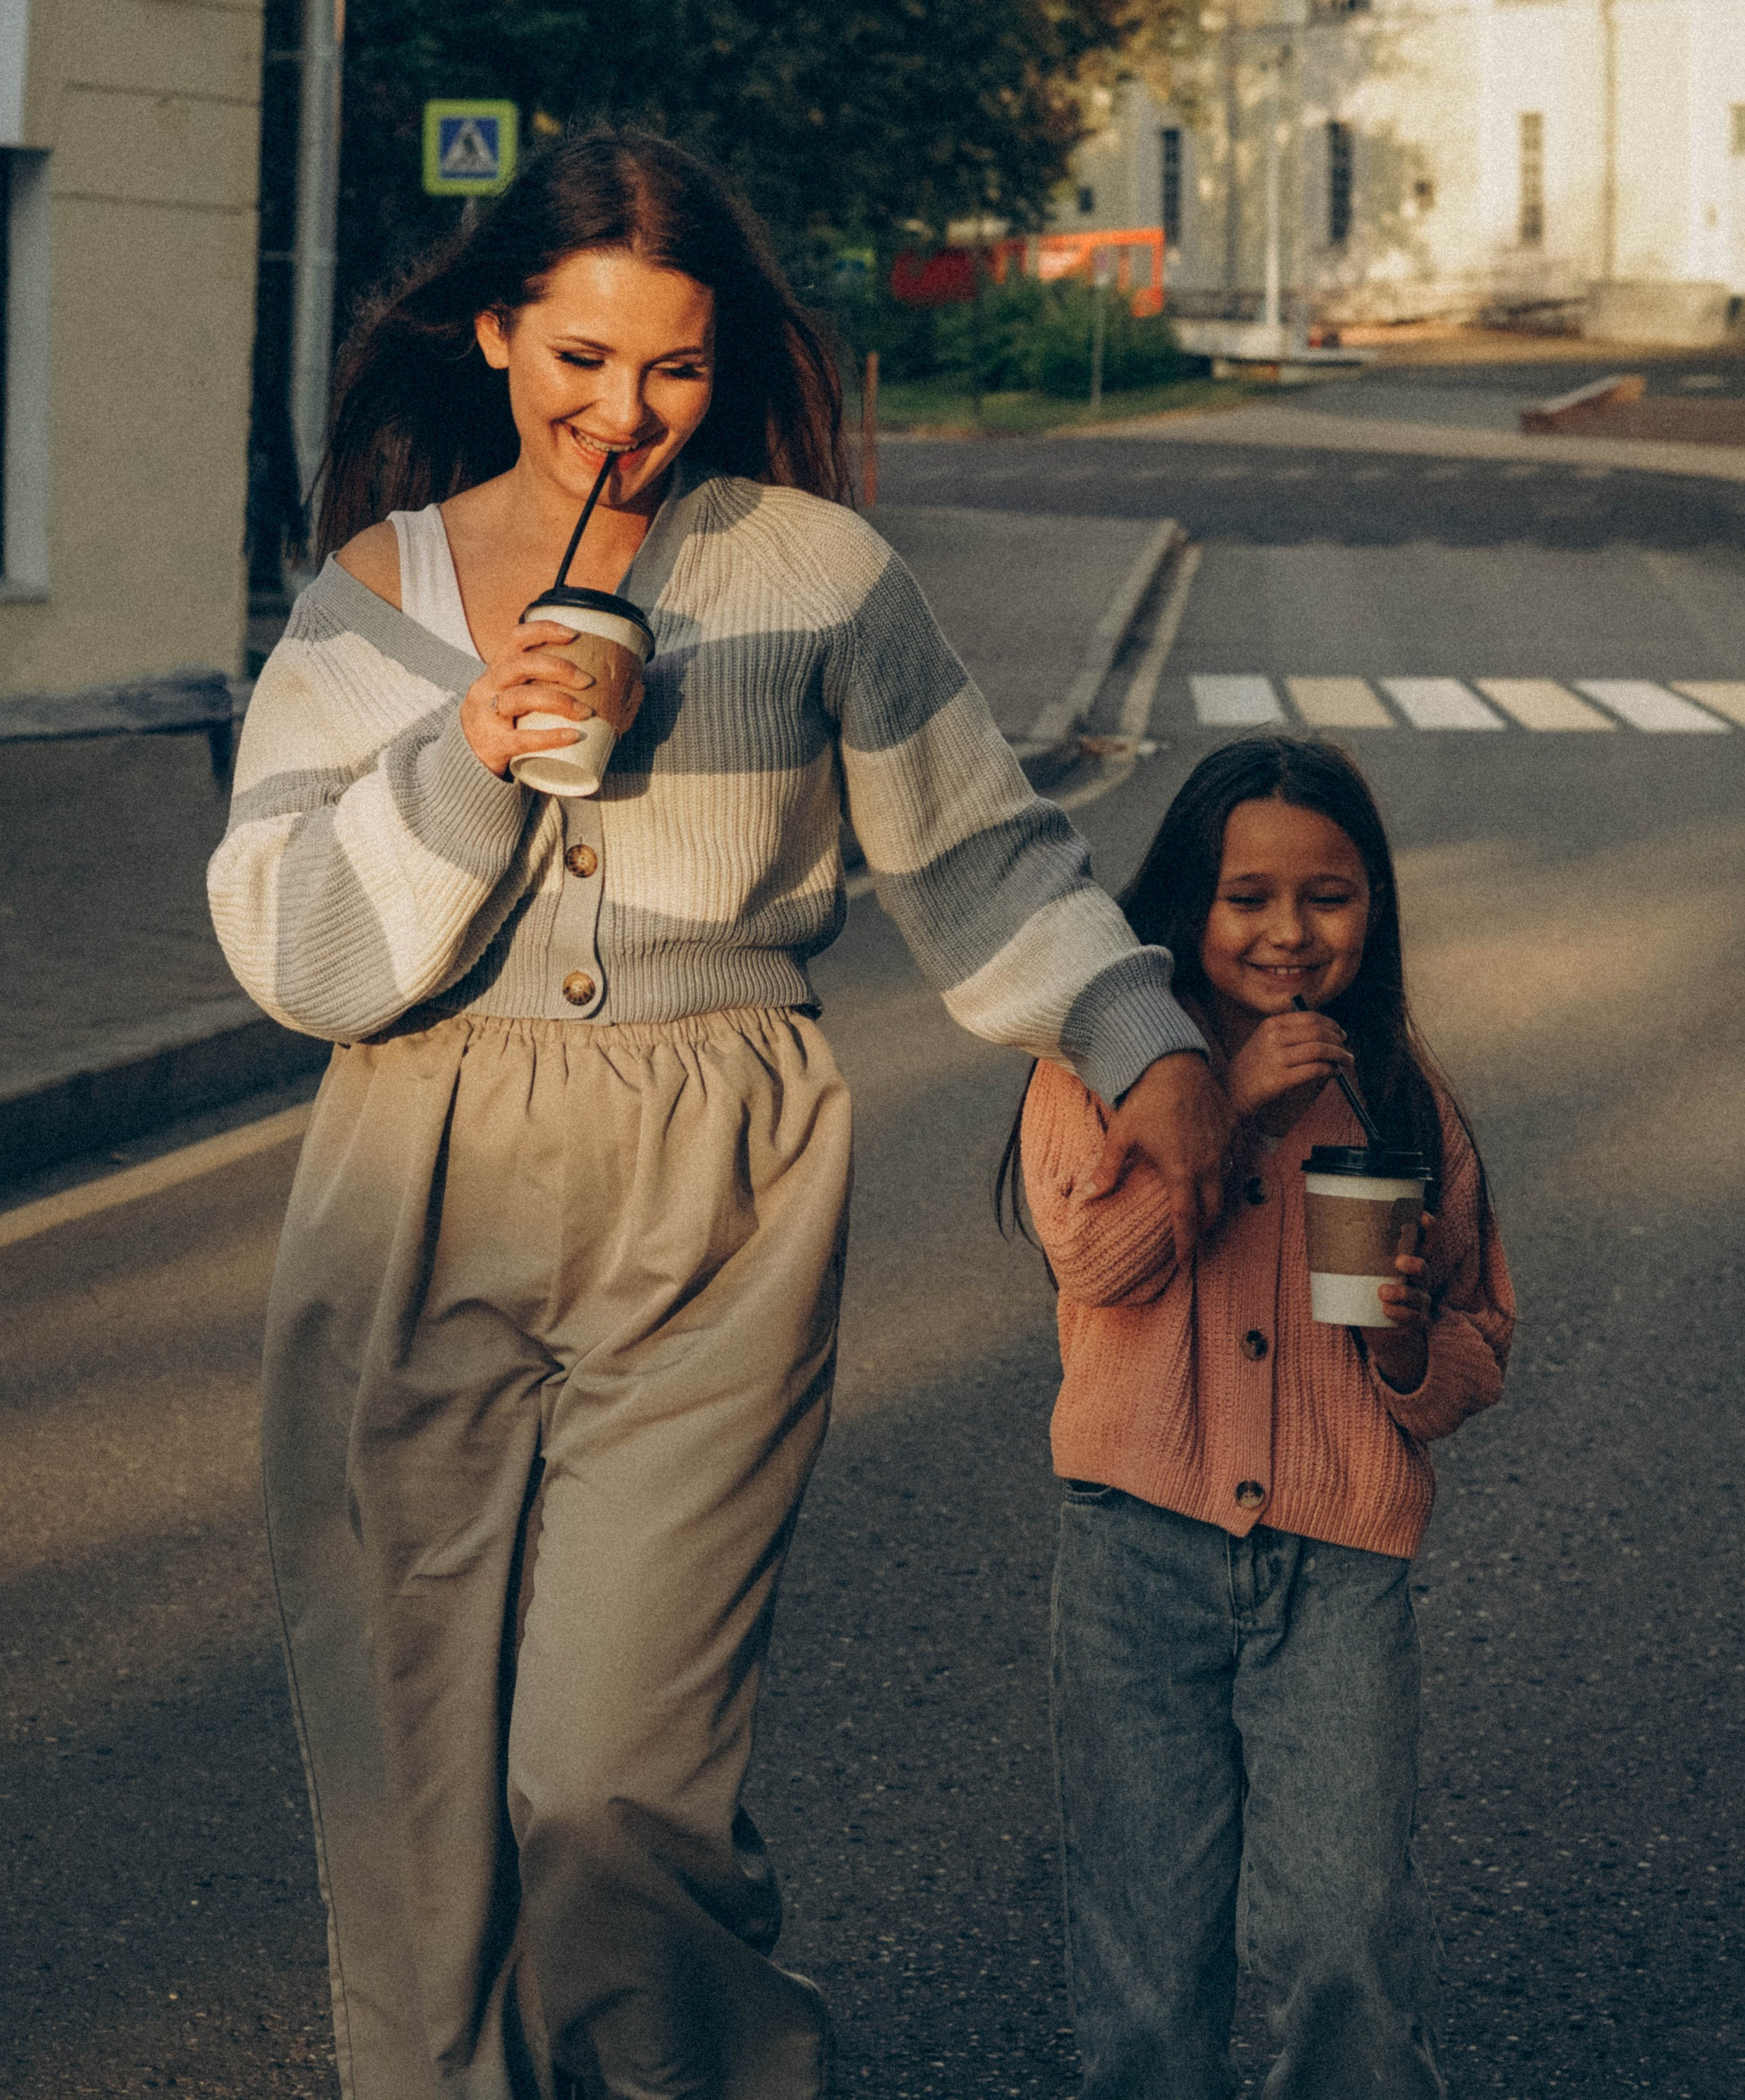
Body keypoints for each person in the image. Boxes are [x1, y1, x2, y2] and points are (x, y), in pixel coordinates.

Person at [207, 127, 1232, 2100]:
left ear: (726, 359)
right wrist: (464, 758)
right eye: (579, 359)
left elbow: (984, 856)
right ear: (499, 334)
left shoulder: (817, 572)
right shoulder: (375, 598)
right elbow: (294, 952)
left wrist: (1145, 1039)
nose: (624, 411)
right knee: (414, 1791)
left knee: (613, 1788)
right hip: (413, 1165)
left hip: (720, 1176)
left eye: (670, 367)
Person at [1009, 735, 1515, 2100]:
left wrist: (1410, 1347)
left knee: (1347, 1932)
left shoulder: (1403, 1097)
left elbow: (1479, 1337)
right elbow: (1095, 1267)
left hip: (1338, 1567)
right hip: (1135, 1549)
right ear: (1185, 904)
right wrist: (1218, 1112)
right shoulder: (1098, 1073)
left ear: (1375, 911)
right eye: (1246, 897)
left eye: (1328, 897)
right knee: (1147, 1953)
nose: (1287, 933)